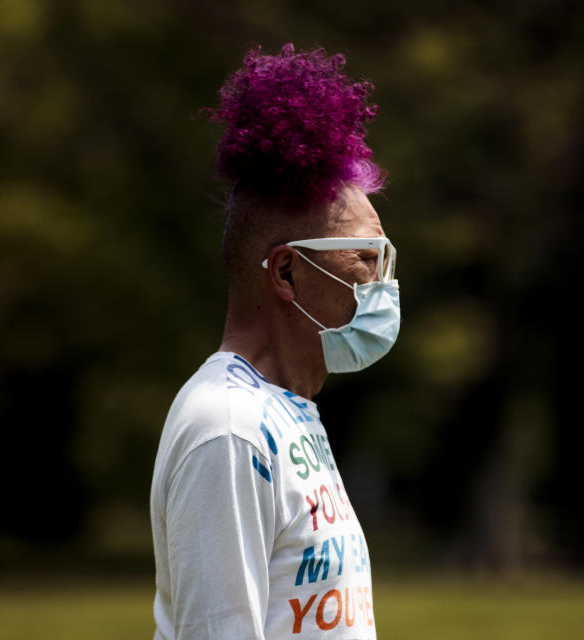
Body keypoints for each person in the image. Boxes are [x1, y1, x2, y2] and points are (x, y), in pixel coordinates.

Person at [150, 43, 399, 640]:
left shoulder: (287, 413)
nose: (384, 282)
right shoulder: (230, 429)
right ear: (286, 273)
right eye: (365, 258)